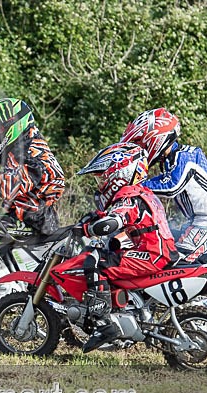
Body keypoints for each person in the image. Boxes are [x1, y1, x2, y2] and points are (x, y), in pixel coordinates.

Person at [72, 142, 178, 352]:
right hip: (158, 250)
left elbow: (116, 220)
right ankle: (125, 311)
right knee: (110, 252)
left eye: (103, 176)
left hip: (152, 254)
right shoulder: (142, 192)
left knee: (95, 261)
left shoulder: (129, 196)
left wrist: (90, 229)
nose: (101, 182)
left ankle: (104, 324)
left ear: (120, 172)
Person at [0, 98, 66, 313]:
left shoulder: (26, 150)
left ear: (8, 127)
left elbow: (11, 186)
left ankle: (5, 289)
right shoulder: (27, 145)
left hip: (34, 220)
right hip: (32, 215)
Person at [120, 108, 207, 262]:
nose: (142, 149)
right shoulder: (171, 159)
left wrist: (134, 188)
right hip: (196, 222)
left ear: (156, 139)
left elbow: (171, 186)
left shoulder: (185, 157)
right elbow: (161, 182)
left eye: (142, 143)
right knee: (152, 245)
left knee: (169, 262)